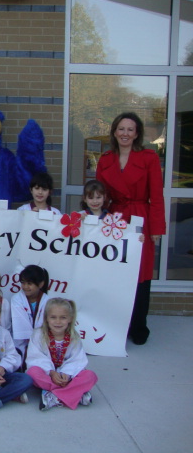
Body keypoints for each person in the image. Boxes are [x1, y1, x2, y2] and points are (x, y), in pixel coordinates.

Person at [96, 112, 165, 345]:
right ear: (114, 131)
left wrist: (156, 228)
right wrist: (94, 221)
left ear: (137, 134)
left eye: (130, 129)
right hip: (115, 218)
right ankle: (116, 324)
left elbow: (156, 196)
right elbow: (100, 195)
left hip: (140, 219)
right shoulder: (105, 159)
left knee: (140, 275)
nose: (125, 133)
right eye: (121, 129)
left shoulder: (148, 158)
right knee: (114, 273)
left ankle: (138, 327)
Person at [26, 298, 98, 411]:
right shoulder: (38, 334)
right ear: (46, 318)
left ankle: (53, 396)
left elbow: (77, 360)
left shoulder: (74, 336)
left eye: (63, 318)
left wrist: (67, 373)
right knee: (32, 373)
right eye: (53, 317)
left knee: (90, 376)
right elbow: (34, 358)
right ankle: (76, 393)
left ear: (70, 319)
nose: (58, 322)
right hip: (48, 374)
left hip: (67, 377)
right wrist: (51, 372)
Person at [11, 265, 50, 354]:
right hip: (20, 341)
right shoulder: (16, 299)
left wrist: (35, 340)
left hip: (41, 341)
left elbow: (43, 324)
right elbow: (20, 323)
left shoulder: (47, 301)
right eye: (23, 283)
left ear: (41, 284)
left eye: (29, 283)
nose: (25, 287)